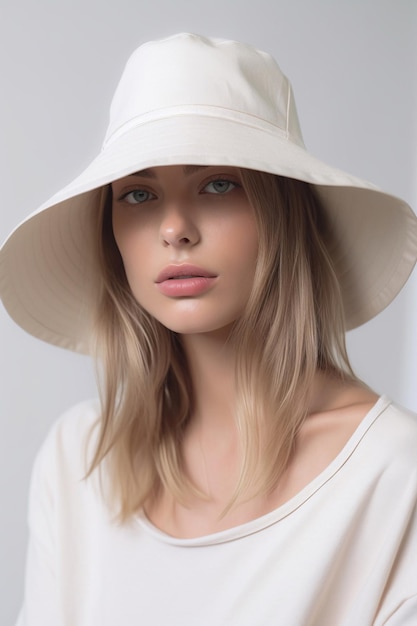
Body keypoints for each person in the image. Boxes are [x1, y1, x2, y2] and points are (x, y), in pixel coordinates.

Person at [1, 32, 417, 626]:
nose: (174, 228)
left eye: (218, 184)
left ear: (284, 213)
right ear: (111, 237)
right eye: (138, 194)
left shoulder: (395, 476)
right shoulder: (79, 464)